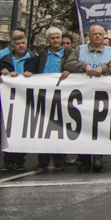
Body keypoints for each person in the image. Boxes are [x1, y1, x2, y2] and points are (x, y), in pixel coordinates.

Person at [64, 25, 111, 172]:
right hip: (83, 96)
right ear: (90, 36)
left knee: (100, 127)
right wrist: (84, 67)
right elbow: (68, 64)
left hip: (103, 96)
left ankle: (98, 157)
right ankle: (84, 160)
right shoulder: (80, 50)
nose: (98, 36)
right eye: (95, 34)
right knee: (83, 128)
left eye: (100, 34)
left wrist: (104, 69)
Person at [0, 32, 38, 171]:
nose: (21, 46)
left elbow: (41, 75)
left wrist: (32, 75)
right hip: (9, 101)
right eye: (18, 44)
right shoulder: (4, 60)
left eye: (23, 43)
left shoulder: (34, 59)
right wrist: (5, 73)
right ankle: (8, 160)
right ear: (12, 46)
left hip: (26, 100)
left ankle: (19, 161)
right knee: (8, 131)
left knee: (22, 131)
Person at [34, 28, 70, 172]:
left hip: (61, 96)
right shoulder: (42, 54)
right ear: (47, 40)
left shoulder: (69, 54)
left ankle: (58, 159)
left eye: (57, 38)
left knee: (58, 129)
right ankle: (43, 161)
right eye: (52, 38)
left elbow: (76, 68)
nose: (55, 40)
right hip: (43, 96)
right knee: (43, 129)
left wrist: (69, 70)